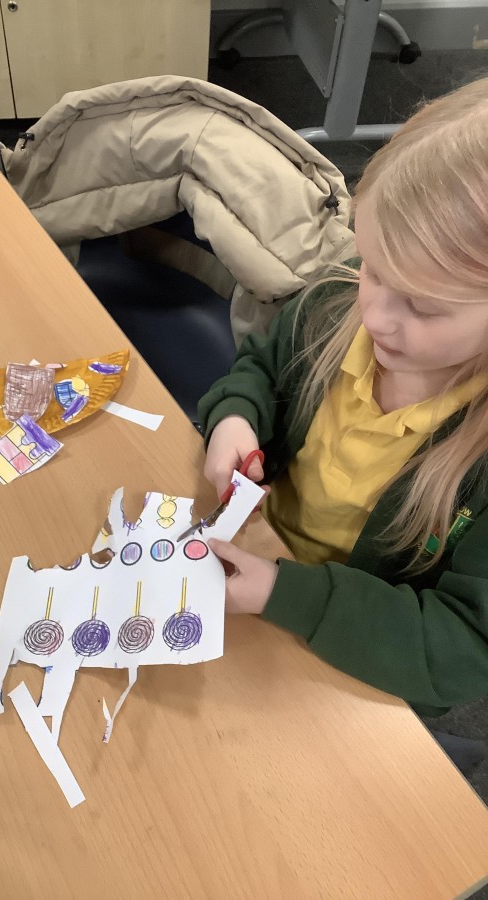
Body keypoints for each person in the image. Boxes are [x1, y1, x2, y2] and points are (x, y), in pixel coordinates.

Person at [197, 78, 488, 767]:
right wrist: (235, 416)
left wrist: (288, 594)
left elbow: (464, 647)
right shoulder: (335, 305)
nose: (376, 317)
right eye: (373, 268)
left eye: (423, 306)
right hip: (257, 562)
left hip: (358, 650)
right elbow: (261, 367)